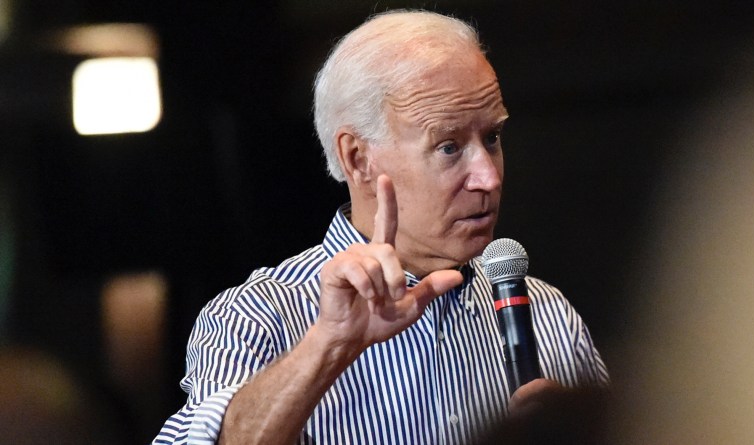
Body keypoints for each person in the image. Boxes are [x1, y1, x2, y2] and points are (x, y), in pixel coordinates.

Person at [154, 10, 609, 445]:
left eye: (492, 138)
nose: (488, 177)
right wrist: (329, 345)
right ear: (358, 158)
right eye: (449, 147)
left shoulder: (549, 316)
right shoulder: (254, 317)